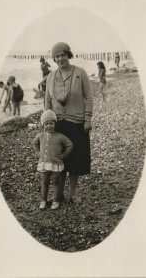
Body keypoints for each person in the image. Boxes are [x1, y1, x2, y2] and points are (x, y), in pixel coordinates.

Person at [45, 42, 93, 203]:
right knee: (57, 159)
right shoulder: (51, 76)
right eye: (57, 56)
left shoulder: (80, 72)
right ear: (54, 59)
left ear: (68, 55)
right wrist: (46, 120)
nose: (60, 58)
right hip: (57, 123)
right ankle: (58, 194)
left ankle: (73, 193)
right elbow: (47, 101)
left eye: (63, 55)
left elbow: (89, 97)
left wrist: (88, 118)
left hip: (77, 122)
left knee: (76, 159)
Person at [33, 109, 73, 210]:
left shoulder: (60, 136)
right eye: (46, 124)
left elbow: (70, 145)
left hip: (56, 163)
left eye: (51, 123)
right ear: (43, 125)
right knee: (45, 182)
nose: (49, 126)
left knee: (56, 182)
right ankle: (43, 200)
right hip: (44, 163)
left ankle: (55, 201)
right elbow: (34, 143)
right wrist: (38, 153)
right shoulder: (40, 136)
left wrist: (64, 155)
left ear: (55, 124)